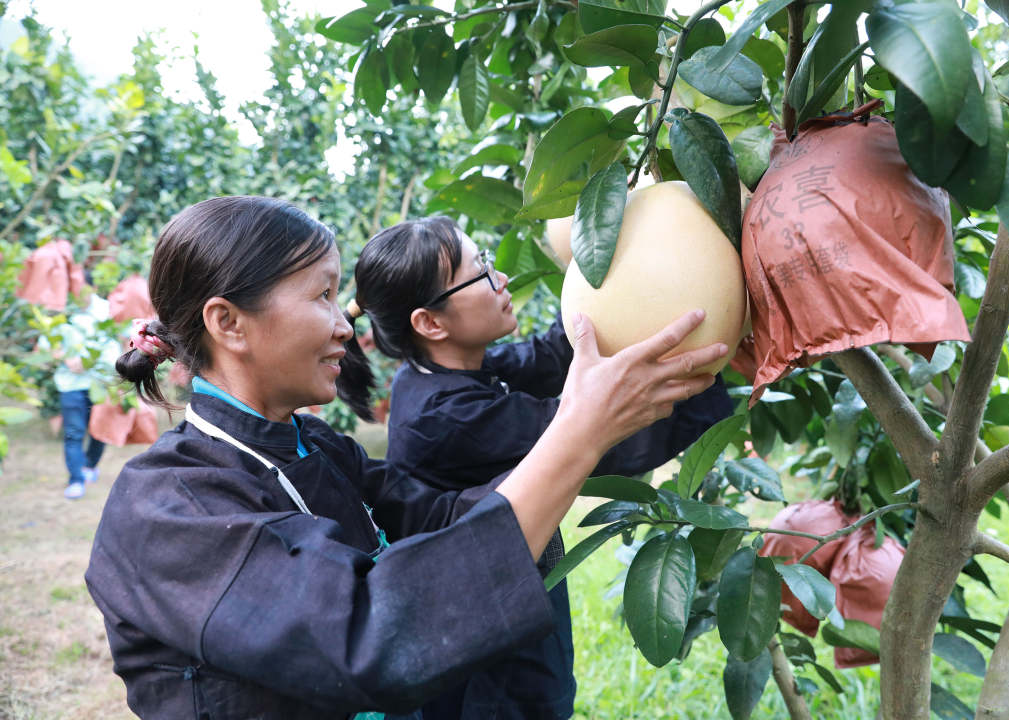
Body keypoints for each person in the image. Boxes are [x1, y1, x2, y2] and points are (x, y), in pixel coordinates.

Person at [84, 196, 727, 720]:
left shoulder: (319, 449)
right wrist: (578, 432)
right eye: (322, 296)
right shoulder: (168, 509)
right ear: (228, 324)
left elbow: (445, 516)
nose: (344, 325)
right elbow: (372, 638)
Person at [336, 216, 734, 720]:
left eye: (486, 263)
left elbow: (552, 355)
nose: (500, 280)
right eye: (479, 274)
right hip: (487, 656)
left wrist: (603, 256)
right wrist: (720, 358)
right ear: (430, 323)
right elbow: (600, 433)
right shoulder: (444, 417)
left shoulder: (455, 372)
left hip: (509, 608)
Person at [39, 290, 117, 499]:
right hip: (70, 384)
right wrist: (66, 358)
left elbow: (118, 339)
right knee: (73, 433)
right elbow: (46, 346)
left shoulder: (107, 309)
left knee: (100, 431)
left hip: (100, 382)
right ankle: (76, 479)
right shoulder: (62, 312)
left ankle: (89, 465)